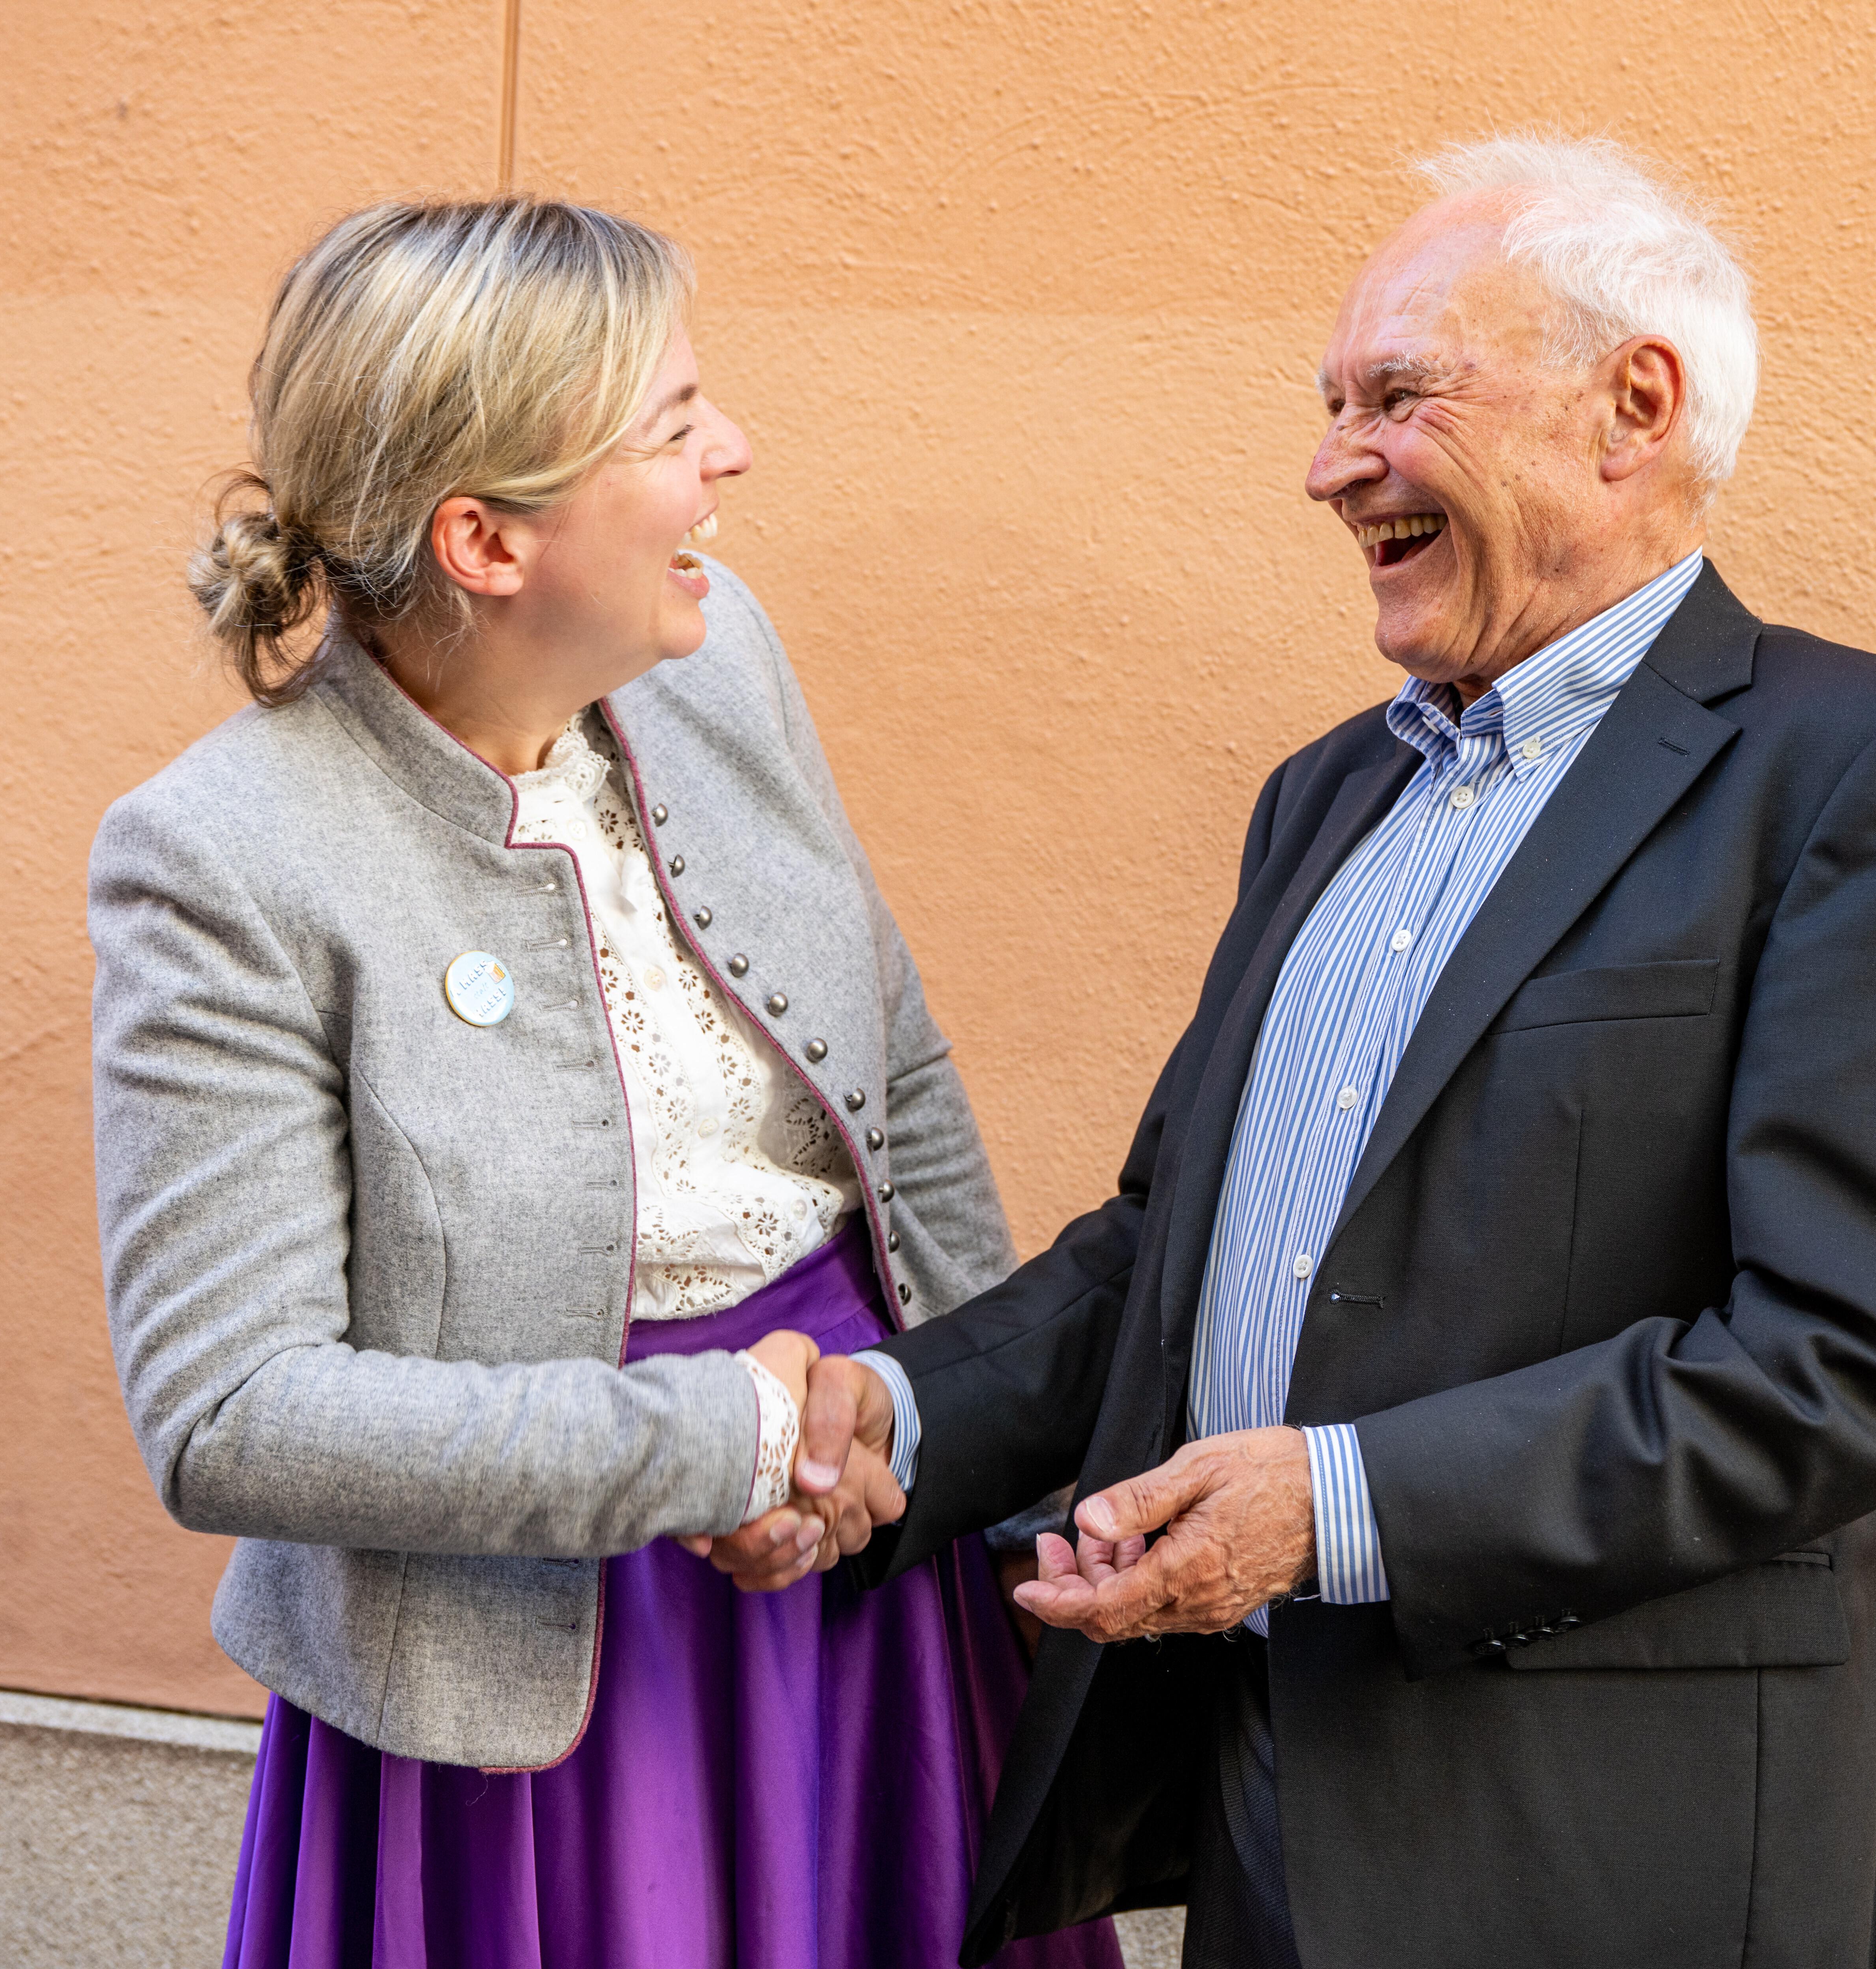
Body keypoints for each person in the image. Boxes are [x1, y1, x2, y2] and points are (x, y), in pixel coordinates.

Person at [735, 135, 1876, 1967]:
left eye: (1398, 396)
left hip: (1613, 1846)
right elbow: (1160, 1257)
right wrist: (906, 1409)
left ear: (1632, 407)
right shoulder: (1329, 794)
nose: (1331, 462)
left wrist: (1335, 1504)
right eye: (1332, 402)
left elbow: (1861, 1361)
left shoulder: (1861, 775)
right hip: (1275, 1802)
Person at [88, 195, 1119, 1969]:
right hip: (527, 1669)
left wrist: (930, 1426)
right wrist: (718, 1441)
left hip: (866, 1553)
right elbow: (230, 1409)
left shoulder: (725, 663)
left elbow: (905, 1084)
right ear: (488, 539)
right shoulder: (223, 854)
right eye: (671, 426)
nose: (733, 452)